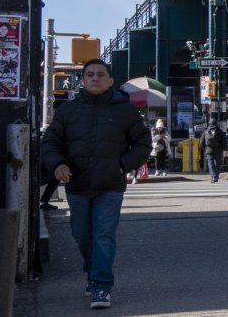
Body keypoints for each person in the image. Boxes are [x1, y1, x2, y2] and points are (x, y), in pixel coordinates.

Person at [40, 59, 153, 310]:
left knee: (103, 235)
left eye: (100, 75)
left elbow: (144, 144)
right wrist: (58, 164)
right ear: (83, 80)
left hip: (110, 186)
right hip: (76, 184)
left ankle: (101, 285)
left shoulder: (126, 111)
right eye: (90, 74)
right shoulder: (67, 111)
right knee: (81, 234)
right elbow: (50, 143)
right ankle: (93, 271)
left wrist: (123, 166)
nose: (94, 78)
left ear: (110, 81)